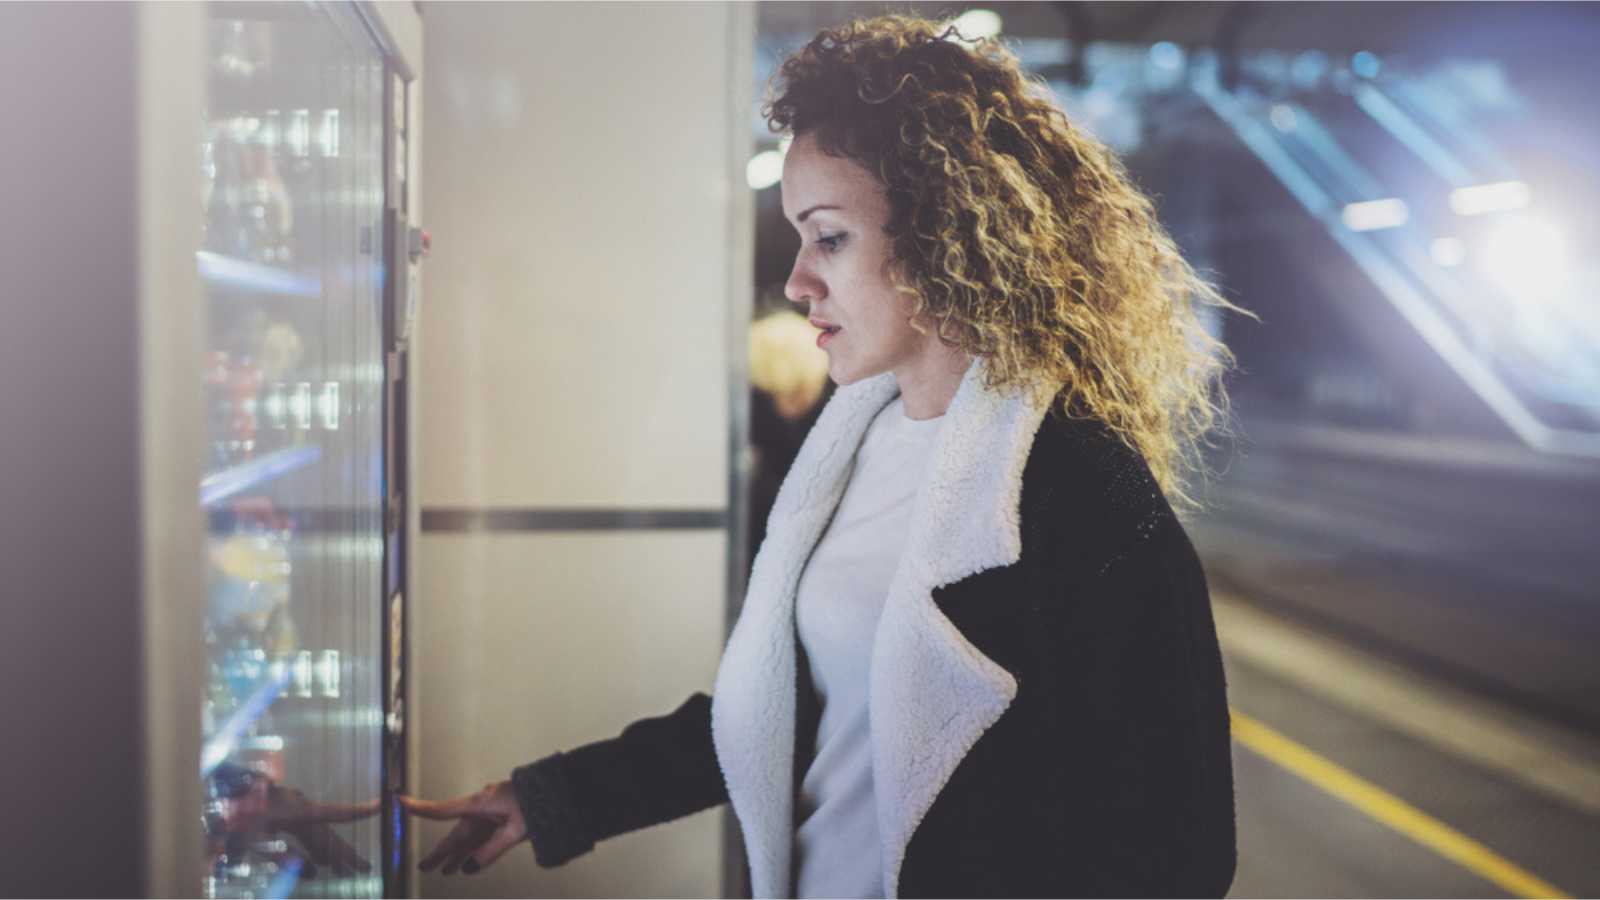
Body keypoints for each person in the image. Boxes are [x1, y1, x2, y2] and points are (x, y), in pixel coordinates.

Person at [400, 13, 1254, 898]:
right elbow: (792, 705)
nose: (798, 280)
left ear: (943, 237)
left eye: (830, 237)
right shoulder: (853, 443)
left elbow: (1180, 847)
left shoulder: (1078, 480)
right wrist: (553, 799)